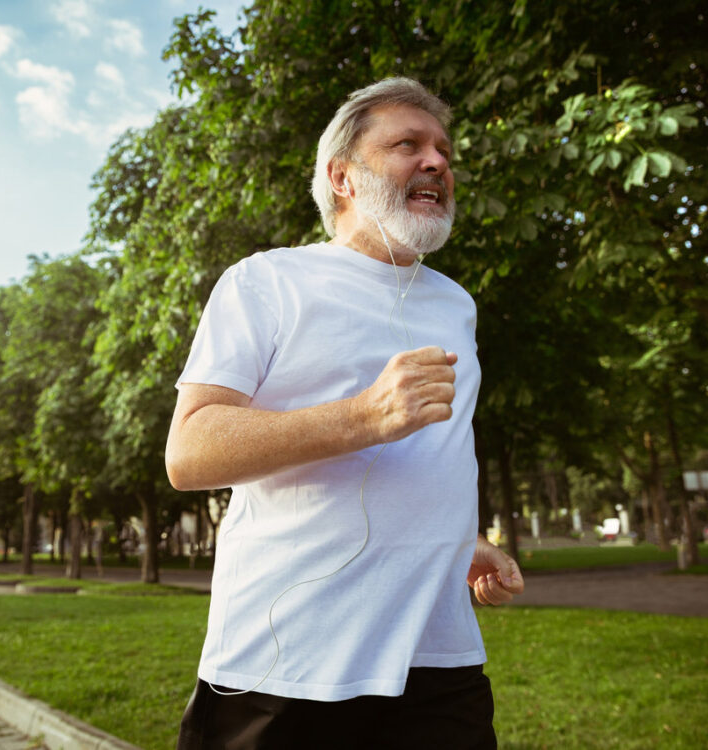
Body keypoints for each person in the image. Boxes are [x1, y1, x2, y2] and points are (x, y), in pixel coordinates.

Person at [165, 77, 525, 750]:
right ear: (343, 177)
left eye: (445, 151)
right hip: (287, 664)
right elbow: (190, 451)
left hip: (439, 663)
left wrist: (454, 539)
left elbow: (428, 462)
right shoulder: (265, 281)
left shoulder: (456, 305)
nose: (438, 163)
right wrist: (364, 416)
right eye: (407, 145)